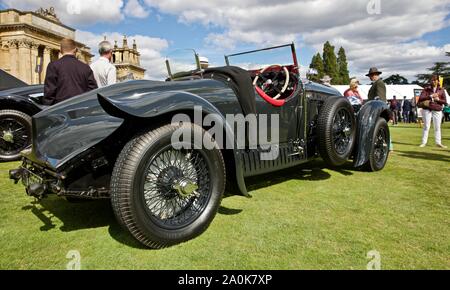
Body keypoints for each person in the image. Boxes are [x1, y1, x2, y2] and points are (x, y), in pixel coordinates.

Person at [43, 39, 98, 105]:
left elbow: (49, 92)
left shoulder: (53, 66)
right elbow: (93, 89)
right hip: (81, 107)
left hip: (60, 109)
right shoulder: (85, 67)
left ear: (61, 51)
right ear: (75, 50)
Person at [419, 75, 448, 148]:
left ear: (438, 81)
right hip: (427, 108)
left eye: (435, 80)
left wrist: (438, 100)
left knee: (437, 127)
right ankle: (423, 142)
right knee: (426, 126)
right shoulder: (426, 89)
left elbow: (445, 102)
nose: (433, 81)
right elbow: (421, 98)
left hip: (437, 109)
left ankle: (438, 143)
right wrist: (431, 96)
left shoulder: (442, 90)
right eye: (432, 80)